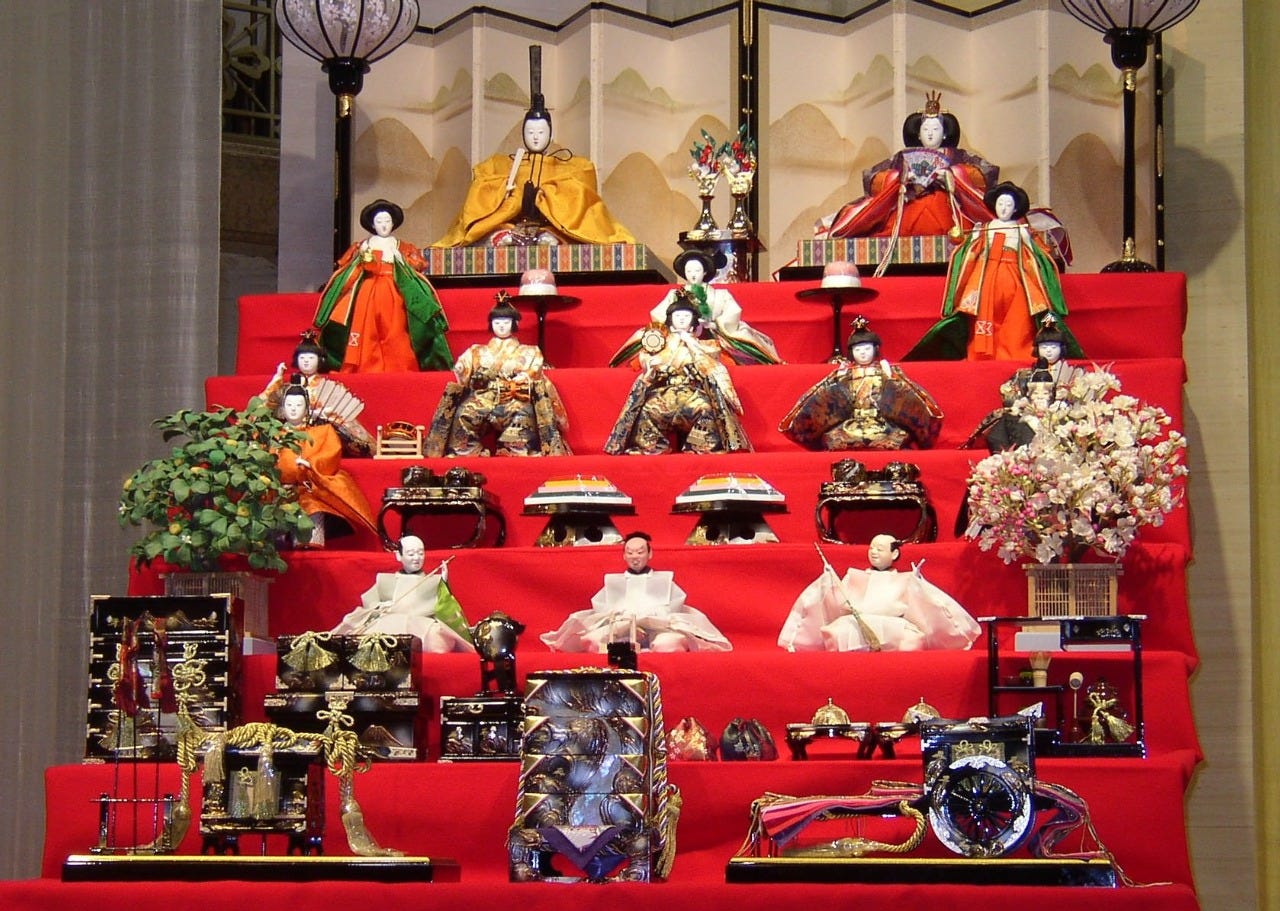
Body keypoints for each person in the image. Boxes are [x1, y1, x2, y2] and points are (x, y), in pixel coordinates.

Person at [432, 74, 635, 247]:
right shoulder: (500, 165)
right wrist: (504, 192)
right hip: (510, 227)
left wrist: (548, 195)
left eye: (541, 132)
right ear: (522, 133)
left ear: (550, 134)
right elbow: (481, 194)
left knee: (551, 241)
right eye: (530, 132)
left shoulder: (571, 167)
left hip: (551, 229)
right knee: (497, 238)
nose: (536, 137)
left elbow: (582, 202)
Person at [903, 182, 1083, 362]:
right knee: (984, 315)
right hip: (987, 279)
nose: (1004, 208)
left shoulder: (1020, 230)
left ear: (1015, 209)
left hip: (1015, 277)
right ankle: (982, 353)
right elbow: (970, 251)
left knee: (1018, 316)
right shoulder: (985, 228)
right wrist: (972, 237)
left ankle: (1016, 353)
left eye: (1008, 205)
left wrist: (1029, 241)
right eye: (1000, 204)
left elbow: (1036, 255)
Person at [815, 92, 997, 247]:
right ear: (918, 134)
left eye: (936, 129)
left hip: (947, 207)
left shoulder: (957, 155)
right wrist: (900, 178)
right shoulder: (904, 157)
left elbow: (983, 174)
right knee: (893, 224)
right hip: (910, 204)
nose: (930, 133)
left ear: (945, 133)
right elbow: (875, 178)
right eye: (926, 129)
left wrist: (952, 176)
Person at [313, 198, 452, 373]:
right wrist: (363, 259)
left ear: (393, 223)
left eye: (387, 221)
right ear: (372, 224)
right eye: (379, 221)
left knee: (396, 326)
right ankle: (366, 363)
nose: (384, 225)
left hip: (395, 289)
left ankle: (399, 365)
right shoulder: (364, 245)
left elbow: (419, 265)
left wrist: (400, 258)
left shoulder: (402, 246)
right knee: (366, 326)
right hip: (368, 289)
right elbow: (346, 265)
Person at [424, 292, 571, 457]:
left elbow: (533, 374)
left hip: (514, 397)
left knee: (523, 414)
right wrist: (467, 371)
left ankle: (515, 450)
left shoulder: (530, 352)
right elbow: (463, 371)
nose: (501, 326)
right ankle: (466, 451)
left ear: (514, 323)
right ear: (491, 324)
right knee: (464, 413)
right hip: (483, 397)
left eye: (506, 322)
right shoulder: (476, 351)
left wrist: (523, 378)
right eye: (497, 322)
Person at [604, 294, 753, 455]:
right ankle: (653, 446)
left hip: (692, 393)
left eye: (686, 316)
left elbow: (711, 365)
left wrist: (691, 343)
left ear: (694, 321)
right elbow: (647, 361)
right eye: (677, 316)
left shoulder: (706, 345)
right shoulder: (660, 344)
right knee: (647, 409)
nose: (681, 319)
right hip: (665, 393)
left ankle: (698, 445)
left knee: (706, 408)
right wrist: (654, 367)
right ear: (670, 320)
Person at [778, 536, 980, 652]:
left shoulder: (904, 579)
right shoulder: (855, 576)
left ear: (894, 553)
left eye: (880, 549)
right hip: (856, 623)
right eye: (872, 548)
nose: (874, 552)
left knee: (911, 639)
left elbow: (923, 604)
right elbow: (839, 601)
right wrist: (831, 581)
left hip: (893, 624)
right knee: (837, 632)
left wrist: (918, 583)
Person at [540, 531, 732, 653]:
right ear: (624, 555)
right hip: (620, 629)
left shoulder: (664, 581)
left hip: (659, 628)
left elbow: (673, 611)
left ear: (649, 553)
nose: (635, 557)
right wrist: (623, 621)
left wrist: (650, 619)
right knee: (592, 642)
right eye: (630, 552)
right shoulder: (614, 582)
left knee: (668, 646)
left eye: (640, 552)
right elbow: (602, 611)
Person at [779, 317, 942, 451]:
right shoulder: (845, 373)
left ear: (875, 349)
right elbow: (825, 398)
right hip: (851, 423)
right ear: (851, 353)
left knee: (896, 437)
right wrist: (837, 382)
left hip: (882, 423)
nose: (862, 353)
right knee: (833, 438)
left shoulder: (887, 371)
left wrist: (891, 379)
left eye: (866, 349)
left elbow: (905, 395)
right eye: (857, 350)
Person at [274, 385, 379, 548]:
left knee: (312, 511)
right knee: (271, 518)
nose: (293, 409)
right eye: (289, 405)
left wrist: (310, 464)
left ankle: (307, 543)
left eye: (298, 405)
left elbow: (330, 454)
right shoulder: (274, 434)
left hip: (309, 489)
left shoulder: (322, 432)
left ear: (307, 409)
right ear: (282, 408)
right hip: (279, 490)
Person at [331, 536, 475, 653]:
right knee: (363, 631)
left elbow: (445, 606)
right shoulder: (385, 580)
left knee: (438, 638)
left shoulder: (433, 580)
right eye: (411, 554)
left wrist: (444, 582)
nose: (416, 558)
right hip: (388, 622)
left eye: (420, 553)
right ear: (399, 555)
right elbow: (370, 602)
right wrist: (379, 606)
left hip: (420, 624)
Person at [639, 250, 782, 365]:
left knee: (742, 338)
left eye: (697, 270)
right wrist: (674, 325)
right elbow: (658, 314)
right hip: (679, 337)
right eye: (689, 271)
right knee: (647, 337)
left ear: (705, 272)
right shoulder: (674, 294)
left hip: (713, 335)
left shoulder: (720, 295)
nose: (693, 274)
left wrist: (715, 324)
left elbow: (733, 311)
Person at [260, 332, 374, 455]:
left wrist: (329, 417)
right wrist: (276, 380)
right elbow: (264, 405)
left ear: (320, 360)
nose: (306, 362)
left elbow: (343, 419)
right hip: (291, 433)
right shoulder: (286, 387)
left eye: (311, 358)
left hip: (320, 436)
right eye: (302, 358)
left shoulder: (329, 388)